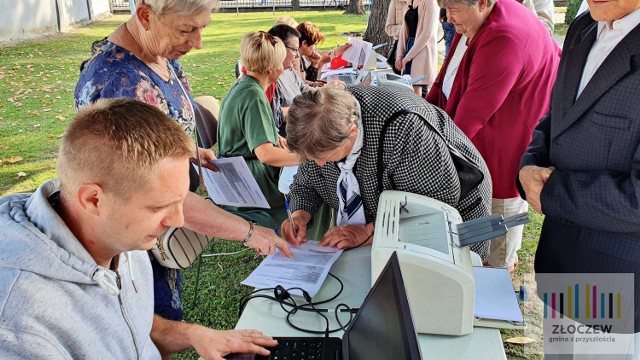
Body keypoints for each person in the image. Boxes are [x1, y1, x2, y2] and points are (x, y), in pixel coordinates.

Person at [0, 99, 278, 359]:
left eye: (181, 200)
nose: (178, 221)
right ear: (93, 200)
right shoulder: (18, 320)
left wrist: (193, 333)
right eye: (158, 208)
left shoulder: (120, 235)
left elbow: (128, 324)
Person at [74, 0, 291, 327]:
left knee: (167, 322)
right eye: (186, 29)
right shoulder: (120, 83)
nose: (198, 42)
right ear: (146, 14)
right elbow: (153, 196)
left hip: (157, 230)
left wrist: (188, 150)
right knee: (148, 331)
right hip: (132, 247)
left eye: (202, 27)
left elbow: (167, 127)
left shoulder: (163, 56)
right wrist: (249, 232)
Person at [518, 0, 640, 348]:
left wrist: (551, 193)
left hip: (615, 277)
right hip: (561, 260)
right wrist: (529, 165)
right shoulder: (583, 27)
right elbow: (556, 117)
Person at [426, 0, 561, 274]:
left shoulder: (504, 37)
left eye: (453, 10)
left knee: (498, 225)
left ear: (483, 3)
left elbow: (467, 121)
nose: (448, 18)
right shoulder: (476, 20)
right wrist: (423, 112)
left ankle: (499, 271)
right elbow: (445, 78)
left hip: (505, 145)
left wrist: (427, 154)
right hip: (486, 137)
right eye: (445, 9)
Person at [281, 86, 492, 259]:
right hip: (386, 225)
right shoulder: (317, 130)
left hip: (452, 218)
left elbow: (434, 206)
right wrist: (300, 214)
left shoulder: (404, 129)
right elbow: (307, 182)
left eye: (324, 157)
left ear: (351, 132)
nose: (318, 164)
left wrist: (369, 232)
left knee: (447, 291)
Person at [217, 31, 300, 229]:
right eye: (280, 63)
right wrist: (308, 156)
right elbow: (266, 155)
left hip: (239, 172)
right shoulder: (253, 96)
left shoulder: (244, 85)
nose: (283, 68)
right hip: (247, 180)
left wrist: (275, 135)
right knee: (309, 189)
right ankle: (301, 240)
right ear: (272, 69)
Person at [394, 0, 439, 97]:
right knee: (407, 86)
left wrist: (407, 58)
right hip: (409, 46)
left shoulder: (431, 3)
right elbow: (403, 31)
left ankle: (418, 111)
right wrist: (400, 56)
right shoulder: (409, 2)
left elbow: (427, 34)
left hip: (422, 49)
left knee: (416, 87)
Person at [385, 0, 409, 72]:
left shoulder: (423, 2)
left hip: (418, 47)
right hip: (400, 47)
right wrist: (407, 29)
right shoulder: (395, 1)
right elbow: (388, 28)